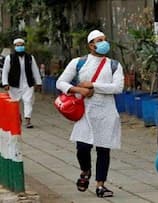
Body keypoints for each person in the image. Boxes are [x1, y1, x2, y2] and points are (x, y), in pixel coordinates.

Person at [56, 30, 124, 198]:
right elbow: (61, 82)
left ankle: (101, 185)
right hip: (85, 111)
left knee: (103, 150)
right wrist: (79, 89)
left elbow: (117, 87)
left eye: (105, 40)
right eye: (99, 40)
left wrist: (93, 85)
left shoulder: (114, 65)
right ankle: (85, 171)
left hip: (106, 112)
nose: (103, 43)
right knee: (82, 147)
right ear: (91, 45)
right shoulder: (78, 63)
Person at [1, 38, 42, 128]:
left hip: (28, 84)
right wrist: (5, 83)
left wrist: (38, 82)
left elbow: (35, 70)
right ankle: (17, 118)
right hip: (14, 85)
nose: (20, 47)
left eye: (21, 45)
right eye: (18, 45)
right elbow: (5, 72)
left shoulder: (30, 57)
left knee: (28, 101)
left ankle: (28, 120)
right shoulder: (9, 58)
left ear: (24, 46)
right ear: (15, 47)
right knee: (14, 103)